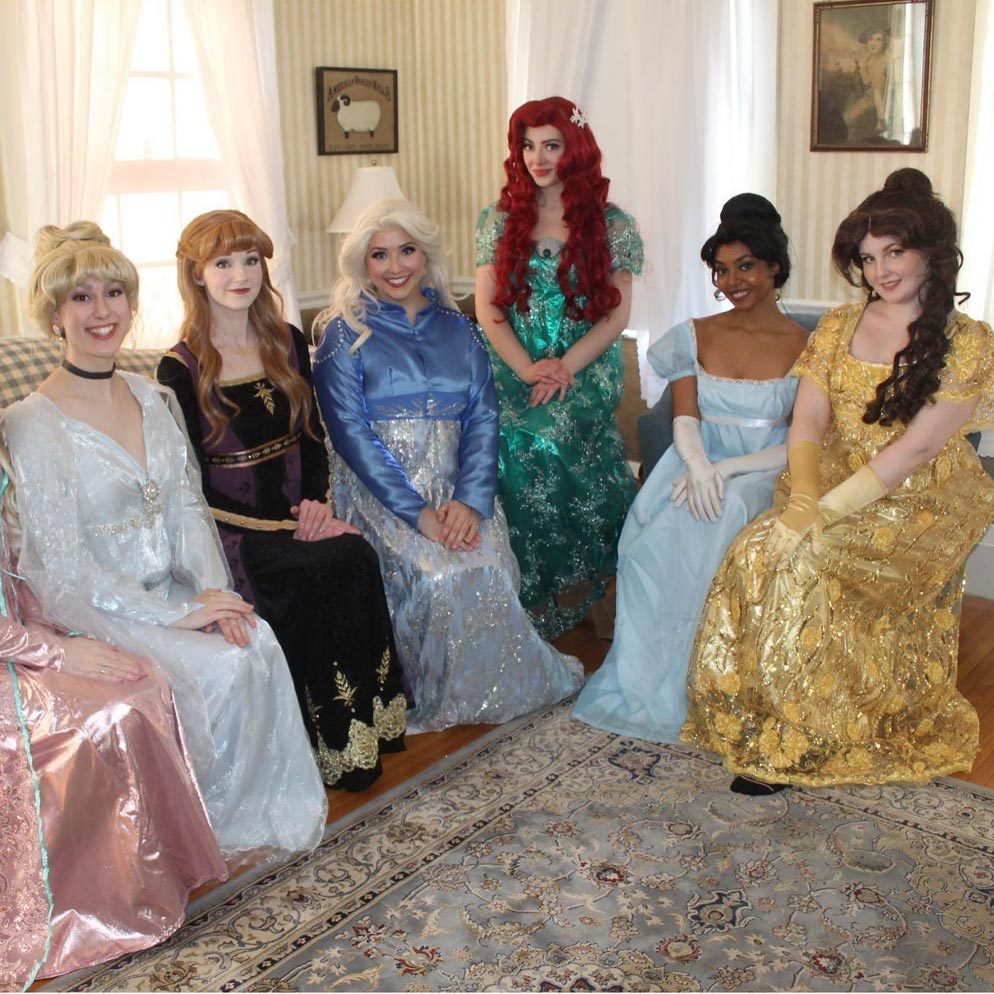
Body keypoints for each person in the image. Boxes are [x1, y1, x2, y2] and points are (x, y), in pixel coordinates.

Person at [5, 222, 327, 854]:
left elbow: (186, 510)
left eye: (114, 294)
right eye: (81, 298)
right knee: (220, 668)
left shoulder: (153, 397)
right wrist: (176, 616)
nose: (102, 311)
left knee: (254, 641)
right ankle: (201, 834)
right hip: (102, 610)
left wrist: (215, 596)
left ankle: (245, 818)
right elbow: (62, 571)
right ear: (54, 315)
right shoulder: (31, 423)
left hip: (177, 591)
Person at [682, 169, 994, 792]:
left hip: (921, 498)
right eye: (868, 257)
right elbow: (808, 421)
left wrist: (822, 514)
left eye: (894, 253)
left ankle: (808, 739)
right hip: (830, 476)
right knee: (756, 552)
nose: (880, 271)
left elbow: (918, 448)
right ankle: (767, 721)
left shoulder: (969, 342)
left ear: (931, 252)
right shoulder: (837, 326)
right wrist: (804, 498)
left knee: (808, 559)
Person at [312, 199, 583, 732]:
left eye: (407, 251)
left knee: (487, 566)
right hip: (383, 496)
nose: (395, 267)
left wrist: (470, 501)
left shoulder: (461, 329)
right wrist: (420, 516)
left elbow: (484, 417)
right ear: (362, 262)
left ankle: (494, 690)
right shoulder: (342, 335)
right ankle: (440, 697)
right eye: (380, 255)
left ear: (426, 254)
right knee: (438, 576)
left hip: (458, 490)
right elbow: (352, 438)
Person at [159, 210, 406, 791]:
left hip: (302, 517)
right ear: (197, 275)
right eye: (223, 263)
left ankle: (366, 730)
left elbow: (314, 437)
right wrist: (281, 527)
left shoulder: (288, 340)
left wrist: (318, 506)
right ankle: (324, 743)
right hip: (236, 533)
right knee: (312, 572)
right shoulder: (180, 366)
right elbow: (188, 482)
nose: (241, 274)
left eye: (251, 260)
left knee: (355, 556)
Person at [573, 195, 807, 743]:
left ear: (775, 266)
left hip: (766, 466)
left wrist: (726, 471)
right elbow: (684, 416)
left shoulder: (808, 347)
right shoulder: (693, 333)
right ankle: (655, 683)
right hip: (696, 455)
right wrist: (699, 463)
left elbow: (803, 439)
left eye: (746, 266)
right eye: (721, 271)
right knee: (653, 539)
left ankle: (715, 689)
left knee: (725, 513)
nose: (732, 281)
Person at [0, 443, 226, 988]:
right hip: (14, 660)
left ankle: (145, 883)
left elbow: (15, 571)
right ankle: (97, 904)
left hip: (20, 641)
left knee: (142, 681)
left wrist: (58, 629)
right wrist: (55, 652)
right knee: (109, 716)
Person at [475, 96, 643, 639]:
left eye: (551, 145)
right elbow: (487, 309)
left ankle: (562, 584)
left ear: (576, 149)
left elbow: (616, 317)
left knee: (539, 436)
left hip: (584, 369)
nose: (538, 157)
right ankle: (508, 590)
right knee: (496, 438)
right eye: (528, 146)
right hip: (513, 368)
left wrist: (564, 368)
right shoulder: (499, 220)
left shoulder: (613, 225)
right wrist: (528, 369)